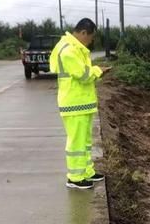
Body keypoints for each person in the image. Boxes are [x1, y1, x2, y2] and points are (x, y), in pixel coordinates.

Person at [49, 18, 111, 190]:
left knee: (85, 141)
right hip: (74, 103)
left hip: (81, 103)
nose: (91, 41)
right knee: (76, 141)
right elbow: (83, 75)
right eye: (90, 37)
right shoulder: (69, 50)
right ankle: (75, 177)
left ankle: (87, 171)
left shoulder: (75, 48)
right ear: (83, 33)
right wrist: (98, 71)